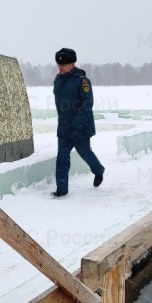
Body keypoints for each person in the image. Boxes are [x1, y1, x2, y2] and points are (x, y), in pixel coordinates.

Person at [51, 48, 105, 197]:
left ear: (73, 63)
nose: (61, 67)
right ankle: (61, 190)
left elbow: (87, 103)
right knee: (61, 158)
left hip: (80, 127)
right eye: (59, 65)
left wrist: (77, 124)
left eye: (64, 64)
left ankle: (99, 170)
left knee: (85, 153)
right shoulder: (58, 80)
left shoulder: (82, 81)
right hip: (63, 128)